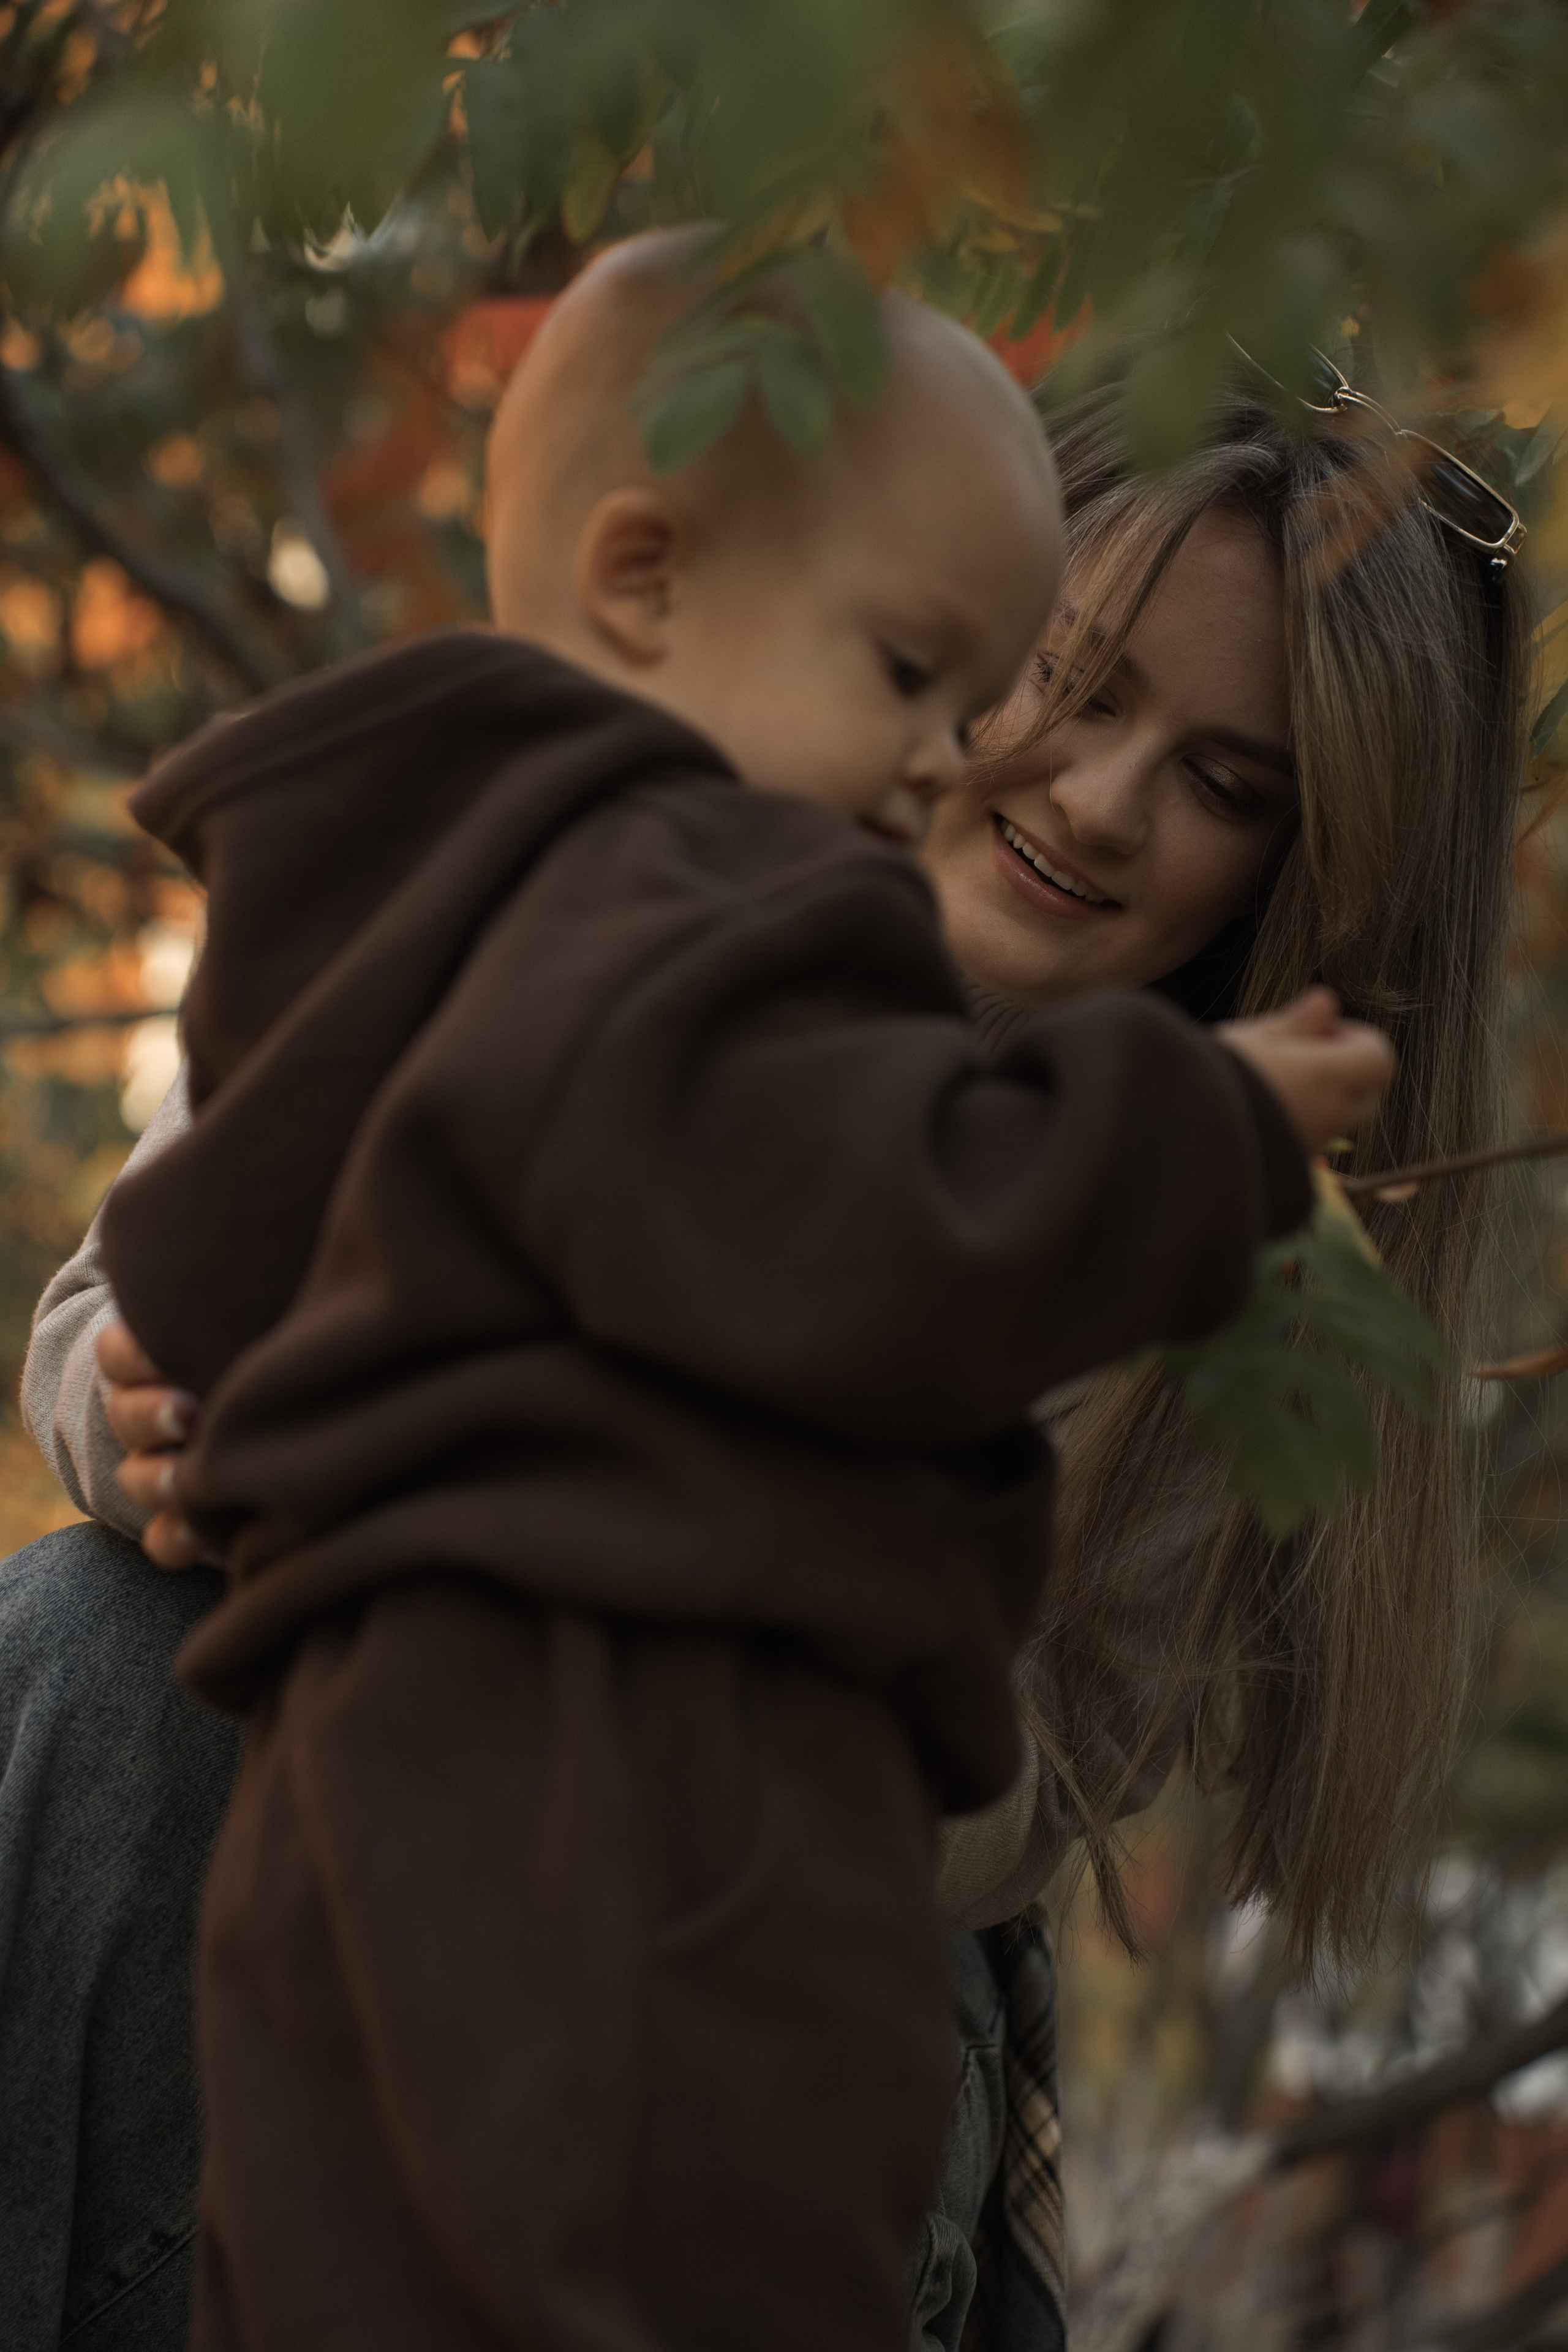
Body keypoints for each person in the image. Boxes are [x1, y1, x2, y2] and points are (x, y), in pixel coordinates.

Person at [10, 367, 1508, 2352]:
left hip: (751, 1957)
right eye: (1062, 679)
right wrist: (146, 1411)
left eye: (1228, 785)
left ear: (1317, 863)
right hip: (336, 1823)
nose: (1094, 798)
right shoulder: (546, 881)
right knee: (98, 1643)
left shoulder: (1207, 1247)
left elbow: (1029, 1782)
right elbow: (124, 1293)